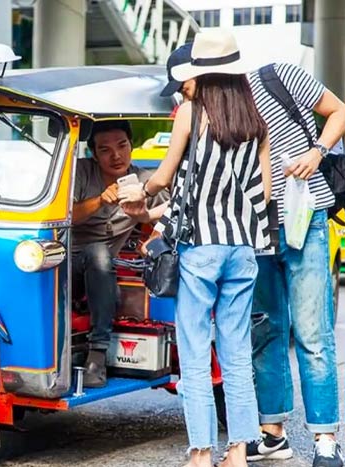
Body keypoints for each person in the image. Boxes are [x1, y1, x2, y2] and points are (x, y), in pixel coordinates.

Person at [119, 30, 272, 467]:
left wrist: (140, 194)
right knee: (237, 353)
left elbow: (164, 177)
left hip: (200, 248)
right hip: (243, 248)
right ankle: (240, 452)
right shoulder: (257, 118)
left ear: (201, 72)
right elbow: (263, 192)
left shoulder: (190, 112)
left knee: (194, 352)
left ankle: (202, 453)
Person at [244, 53, 345, 466]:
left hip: (307, 219)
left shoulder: (277, 76)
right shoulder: (210, 110)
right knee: (266, 332)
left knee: (313, 332)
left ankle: (325, 439)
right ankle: (273, 434)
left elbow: (339, 110)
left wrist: (318, 151)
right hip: (252, 230)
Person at [72, 119, 169, 387]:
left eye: (122, 146)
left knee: (101, 257)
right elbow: (66, 216)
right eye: (105, 149)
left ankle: (97, 355)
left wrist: (153, 234)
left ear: (131, 147)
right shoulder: (81, 172)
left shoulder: (144, 182)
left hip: (103, 267)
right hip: (68, 264)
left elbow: (177, 207)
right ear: (93, 153)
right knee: (97, 254)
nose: (116, 155)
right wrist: (100, 200)